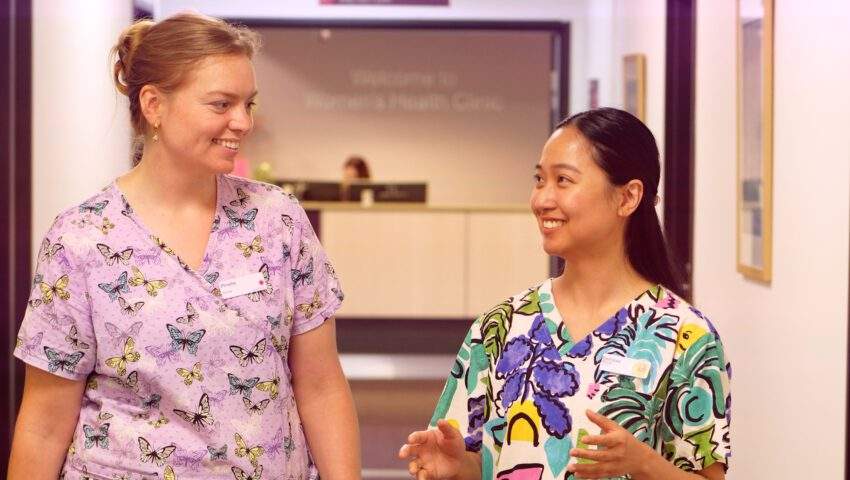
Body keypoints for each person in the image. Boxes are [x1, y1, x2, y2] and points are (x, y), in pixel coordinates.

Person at [8, 13, 360, 480]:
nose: (243, 122)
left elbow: (321, 386)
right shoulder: (81, 239)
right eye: (221, 104)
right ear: (154, 105)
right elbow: (45, 423)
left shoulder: (277, 221)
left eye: (248, 104)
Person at [399, 108, 731, 480]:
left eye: (563, 180)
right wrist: (458, 466)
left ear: (628, 197)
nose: (542, 199)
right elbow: (488, 461)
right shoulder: (502, 325)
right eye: (540, 180)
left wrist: (644, 465)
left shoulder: (685, 336)